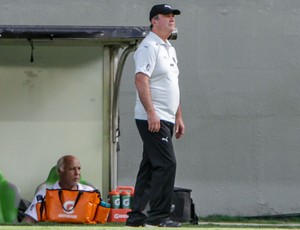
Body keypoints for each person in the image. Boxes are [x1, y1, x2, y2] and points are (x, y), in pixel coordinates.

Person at [126, 4, 184, 228]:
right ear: (154, 21)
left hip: (166, 117)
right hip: (153, 117)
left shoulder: (169, 48)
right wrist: (151, 113)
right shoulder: (149, 46)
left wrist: (178, 116)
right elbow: (141, 79)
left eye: (173, 16)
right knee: (166, 164)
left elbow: (172, 85)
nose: (172, 20)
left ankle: (136, 217)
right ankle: (158, 217)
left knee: (150, 166)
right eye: (167, 16)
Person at [22, 155, 94, 223]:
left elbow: (101, 219)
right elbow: (29, 220)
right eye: (72, 169)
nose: (77, 173)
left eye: (79, 168)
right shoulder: (44, 193)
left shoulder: (90, 192)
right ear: (60, 171)